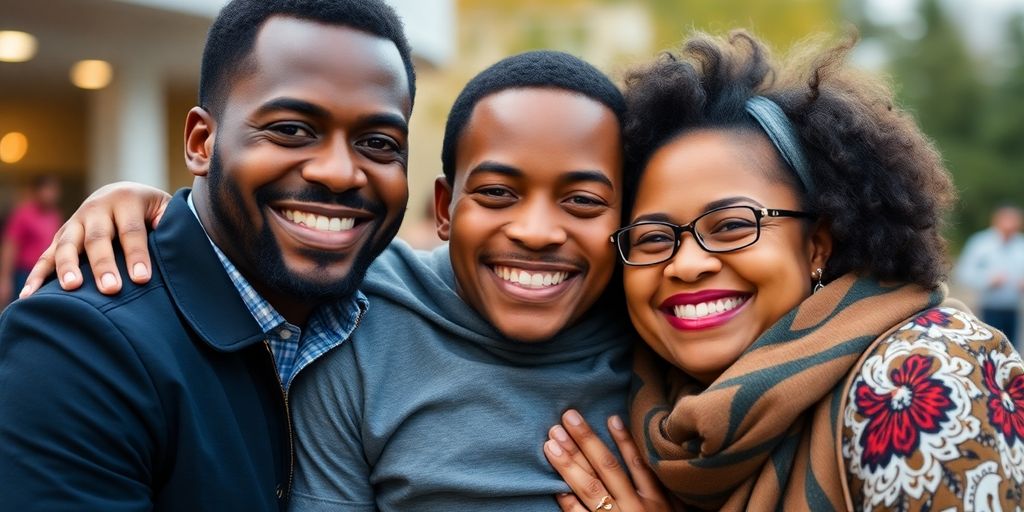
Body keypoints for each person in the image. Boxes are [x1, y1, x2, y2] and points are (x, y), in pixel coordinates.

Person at [19, 52, 662, 511]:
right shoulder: (360, 318)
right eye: (496, 193)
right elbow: (245, 250)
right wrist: (159, 210)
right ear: (444, 210)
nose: (538, 231)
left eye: (582, 202)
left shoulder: (658, 328)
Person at [541, 31, 1024, 511]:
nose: (686, 265)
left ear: (816, 246)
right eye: (652, 238)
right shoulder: (648, 416)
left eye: (731, 225)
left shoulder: (921, 373)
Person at [0, 0, 416, 509]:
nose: (339, 172)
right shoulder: (79, 348)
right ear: (202, 142)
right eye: (291, 130)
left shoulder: (402, 308)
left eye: (377, 142)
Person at [955, 205, 1024, 345]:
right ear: (996, 220)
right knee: (990, 345)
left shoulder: (1021, 245)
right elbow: (963, 273)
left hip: (1013, 308)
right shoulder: (980, 243)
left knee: (1012, 347)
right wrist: (987, 280)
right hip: (988, 307)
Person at [0, 174, 62, 307]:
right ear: (37, 191)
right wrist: (5, 279)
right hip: (24, 274)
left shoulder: (54, 215)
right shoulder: (23, 214)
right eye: (48, 189)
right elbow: (10, 246)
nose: (52, 194)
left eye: (54, 190)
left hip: (48, 273)